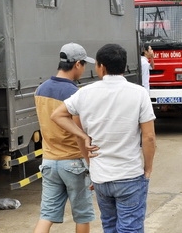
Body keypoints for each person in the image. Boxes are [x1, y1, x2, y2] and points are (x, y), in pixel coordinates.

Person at [51, 43, 157, 233]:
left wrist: (83, 136)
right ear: (123, 66)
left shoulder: (84, 93)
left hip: (101, 177)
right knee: (130, 228)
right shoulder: (139, 93)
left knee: (109, 226)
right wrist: (147, 168)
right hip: (129, 175)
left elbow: (57, 115)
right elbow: (149, 137)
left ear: (101, 66)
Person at [33, 43, 96, 233]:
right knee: (83, 215)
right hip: (73, 162)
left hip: (50, 161)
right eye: (84, 64)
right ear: (77, 64)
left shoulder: (40, 90)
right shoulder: (74, 94)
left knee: (46, 215)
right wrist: (90, 166)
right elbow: (79, 134)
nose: (84, 69)